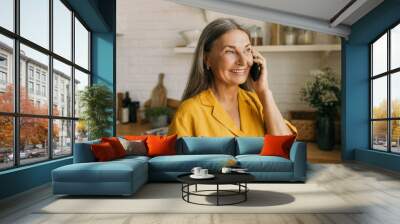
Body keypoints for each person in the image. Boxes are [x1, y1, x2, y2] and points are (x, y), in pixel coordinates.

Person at [168, 18, 297, 137]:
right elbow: (175, 162)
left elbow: (285, 149)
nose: (243, 61)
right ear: (207, 59)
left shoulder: (258, 102)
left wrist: (264, 92)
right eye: (230, 51)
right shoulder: (189, 112)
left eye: (247, 50)